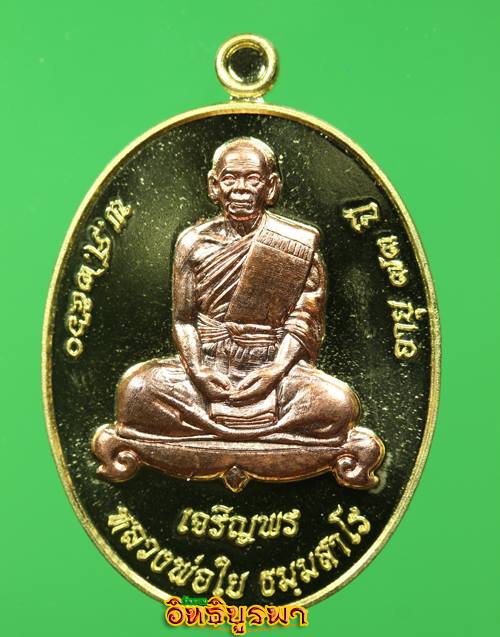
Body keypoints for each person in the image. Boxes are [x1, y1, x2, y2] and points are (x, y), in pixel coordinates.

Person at [114, 137, 363, 446]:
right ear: (214, 186)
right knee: (136, 390)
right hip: (208, 368)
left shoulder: (295, 244)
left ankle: (208, 433)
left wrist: (274, 371)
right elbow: (183, 321)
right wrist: (199, 372)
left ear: (271, 187)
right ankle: (269, 436)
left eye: (253, 179)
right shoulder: (193, 243)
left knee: (338, 403)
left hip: (274, 370)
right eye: (230, 179)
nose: (241, 189)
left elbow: (304, 321)